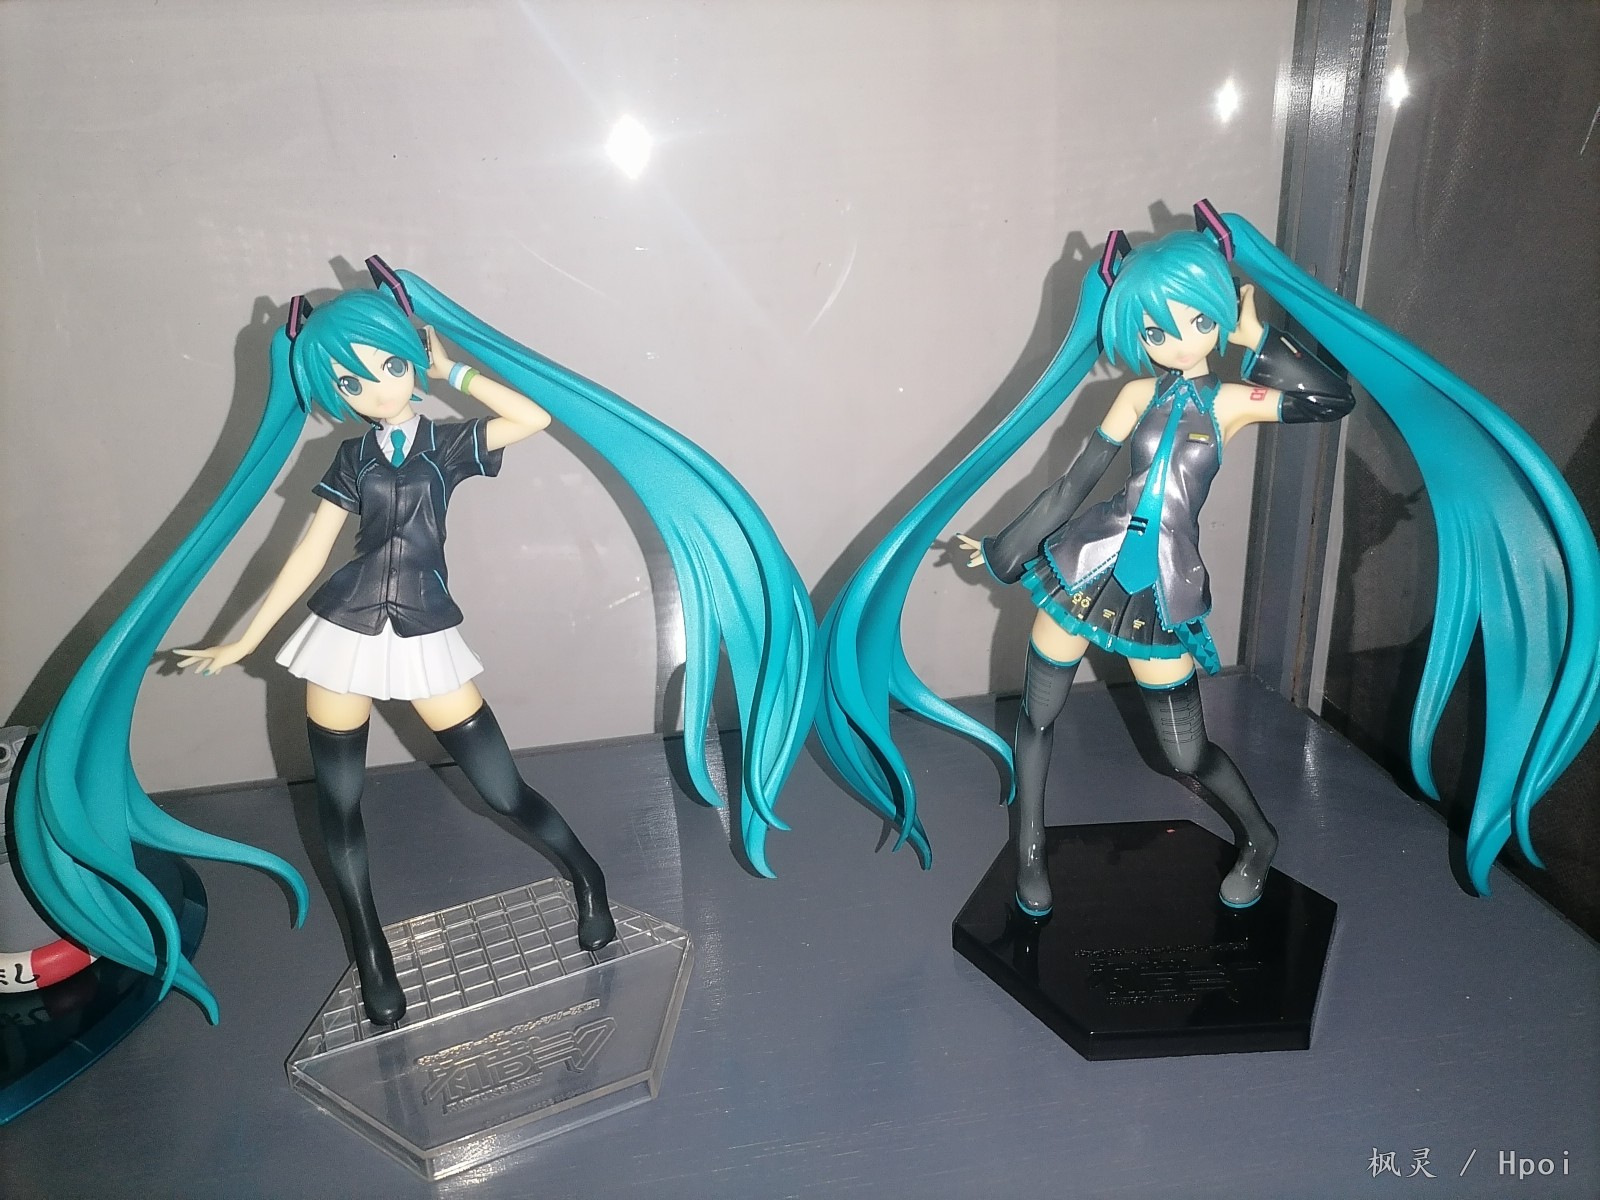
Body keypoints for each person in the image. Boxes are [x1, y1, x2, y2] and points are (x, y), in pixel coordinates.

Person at [14, 259, 818, 1025]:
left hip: (426, 630)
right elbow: (308, 555)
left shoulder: (445, 445)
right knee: (339, 804)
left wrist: (449, 369)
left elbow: (531, 419)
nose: (374, 389)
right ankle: (372, 953)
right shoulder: (350, 456)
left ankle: (588, 876)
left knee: (501, 788)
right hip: (342, 632)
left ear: (409, 359)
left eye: (388, 368)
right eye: (350, 382)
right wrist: (243, 635)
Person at [816, 203, 1598, 917]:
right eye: (1154, 329)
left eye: (1190, 320)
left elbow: (1329, 399)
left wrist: (1257, 340)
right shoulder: (1133, 397)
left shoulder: (1230, 403)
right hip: (1084, 571)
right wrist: (1004, 549)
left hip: (1159, 592)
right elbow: (1073, 485)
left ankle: (1258, 836)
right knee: (1039, 716)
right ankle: (1029, 849)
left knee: (1183, 752)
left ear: (1217, 314)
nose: (1171, 338)